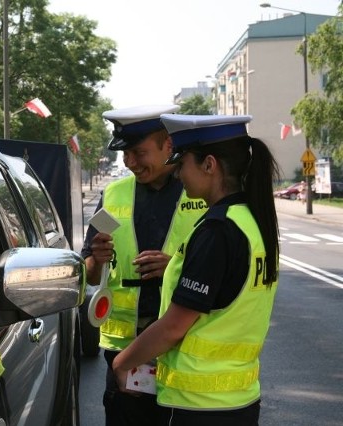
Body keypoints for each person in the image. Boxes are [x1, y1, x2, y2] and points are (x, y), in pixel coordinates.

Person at [112, 114, 280, 426]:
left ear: (209, 165)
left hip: (198, 407)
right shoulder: (252, 221)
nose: (177, 174)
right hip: (240, 400)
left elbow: (174, 327)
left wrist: (122, 362)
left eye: (182, 162)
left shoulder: (217, 230)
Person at [82, 105, 207, 426]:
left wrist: (174, 268)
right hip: (126, 348)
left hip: (183, 343)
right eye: (126, 155)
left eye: (139, 152)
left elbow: (225, 267)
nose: (130, 163)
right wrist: (96, 258)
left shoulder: (201, 191)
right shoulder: (113, 194)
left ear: (168, 144)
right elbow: (90, 274)